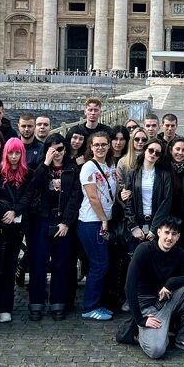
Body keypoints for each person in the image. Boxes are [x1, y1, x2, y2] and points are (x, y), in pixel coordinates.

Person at [124, 217, 184, 358]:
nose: (169, 238)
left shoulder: (179, 253)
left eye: (174, 234)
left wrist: (171, 282)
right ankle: (141, 333)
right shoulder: (144, 250)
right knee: (156, 351)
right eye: (167, 232)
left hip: (168, 299)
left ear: (178, 237)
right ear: (159, 232)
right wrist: (140, 319)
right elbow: (129, 286)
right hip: (149, 308)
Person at [28, 134, 80, 321]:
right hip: (42, 219)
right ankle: (36, 302)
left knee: (61, 263)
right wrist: (46, 164)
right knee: (39, 263)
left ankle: (58, 302)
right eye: (53, 149)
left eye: (60, 149)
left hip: (63, 220)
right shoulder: (39, 167)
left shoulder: (72, 169)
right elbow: (33, 186)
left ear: (65, 150)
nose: (57, 153)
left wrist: (66, 222)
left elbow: (75, 198)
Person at [0, 137, 34, 323]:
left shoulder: (28, 174)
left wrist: (15, 211)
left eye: (18, 153)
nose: (14, 156)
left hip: (17, 226)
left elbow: (28, 196)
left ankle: (6, 307)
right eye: (11, 152)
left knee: (9, 267)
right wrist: (4, 211)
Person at [76, 131, 117, 320]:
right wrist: (103, 219)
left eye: (103, 144)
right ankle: (89, 306)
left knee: (102, 264)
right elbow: (92, 196)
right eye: (96, 145)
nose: (100, 148)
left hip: (103, 220)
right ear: (91, 147)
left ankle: (97, 302)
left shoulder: (109, 165)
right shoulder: (88, 167)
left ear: (108, 145)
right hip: (92, 221)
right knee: (99, 265)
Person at [122, 138, 173, 249]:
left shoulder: (165, 175)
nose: (153, 154)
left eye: (157, 153)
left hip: (157, 225)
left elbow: (166, 202)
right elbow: (128, 201)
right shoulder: (133, 173)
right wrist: (134, 226)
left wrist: (154, 229)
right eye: (151, 150)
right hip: (137, 224)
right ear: (145, 150)